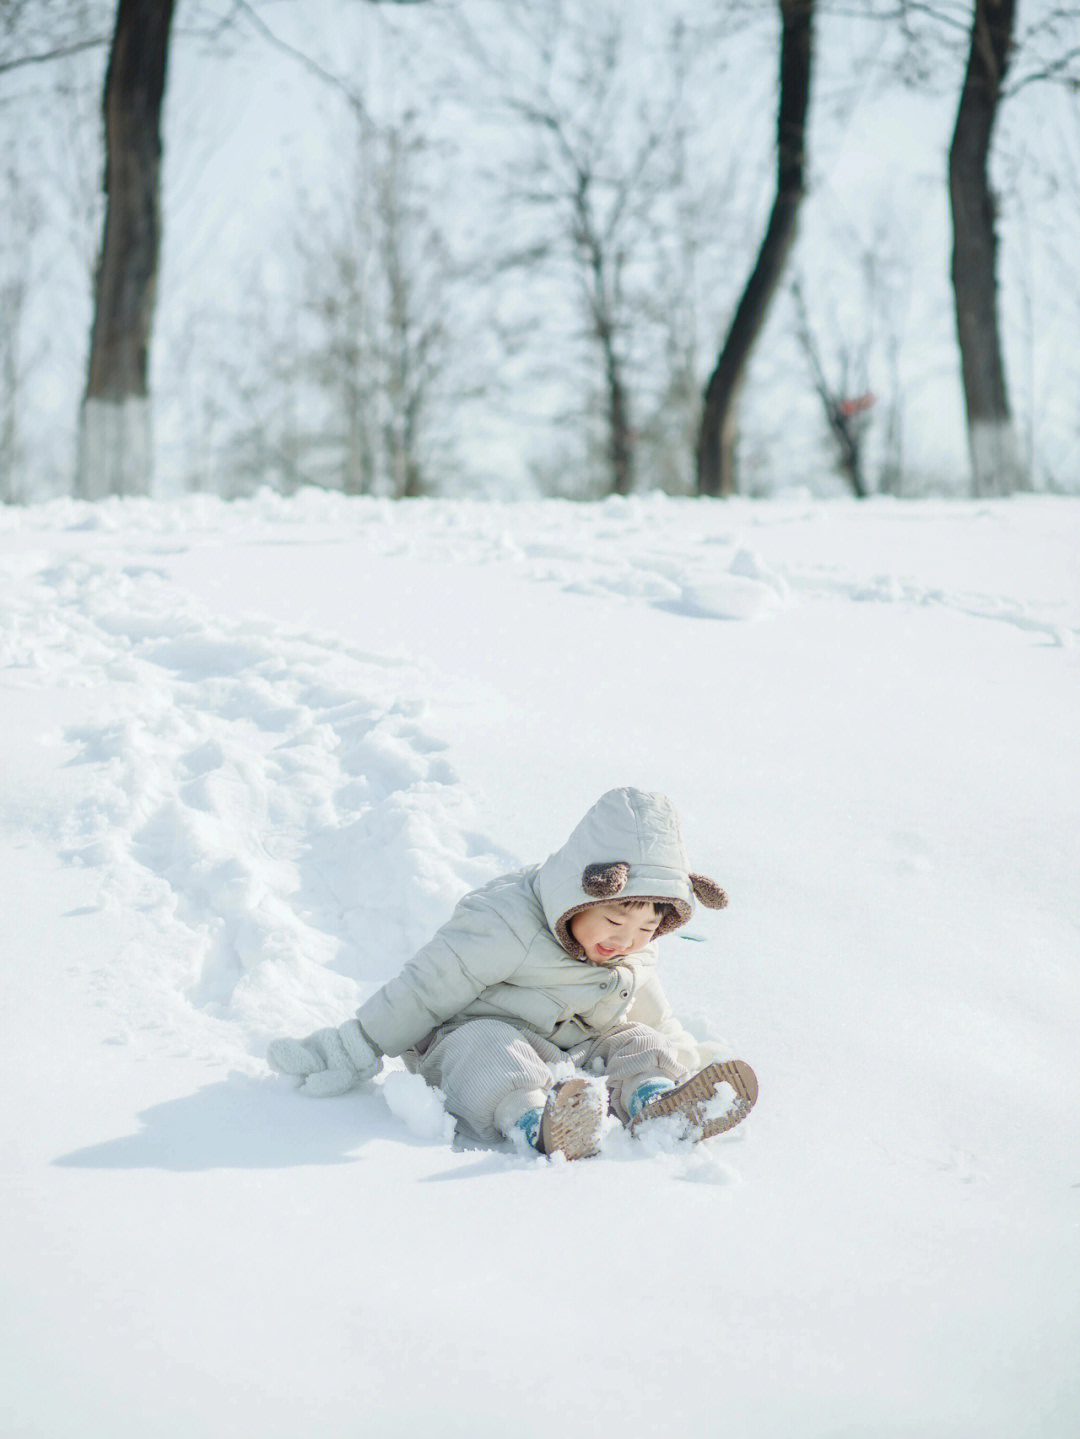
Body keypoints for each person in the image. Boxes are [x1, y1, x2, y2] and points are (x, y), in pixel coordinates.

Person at [267, 787, 757, 1160]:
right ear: (583, 893)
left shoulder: (630, 949)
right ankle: (534, 1122)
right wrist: (356, 1045)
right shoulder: (504, 924)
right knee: (491, 1051)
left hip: (574, 1047)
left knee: (637, 1039)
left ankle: (657, 1101)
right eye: (613, 920)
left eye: (648, 927)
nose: (626, 941)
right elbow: (425, 989)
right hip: (470, 1039)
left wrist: (677, 1051)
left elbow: (648, 1004)